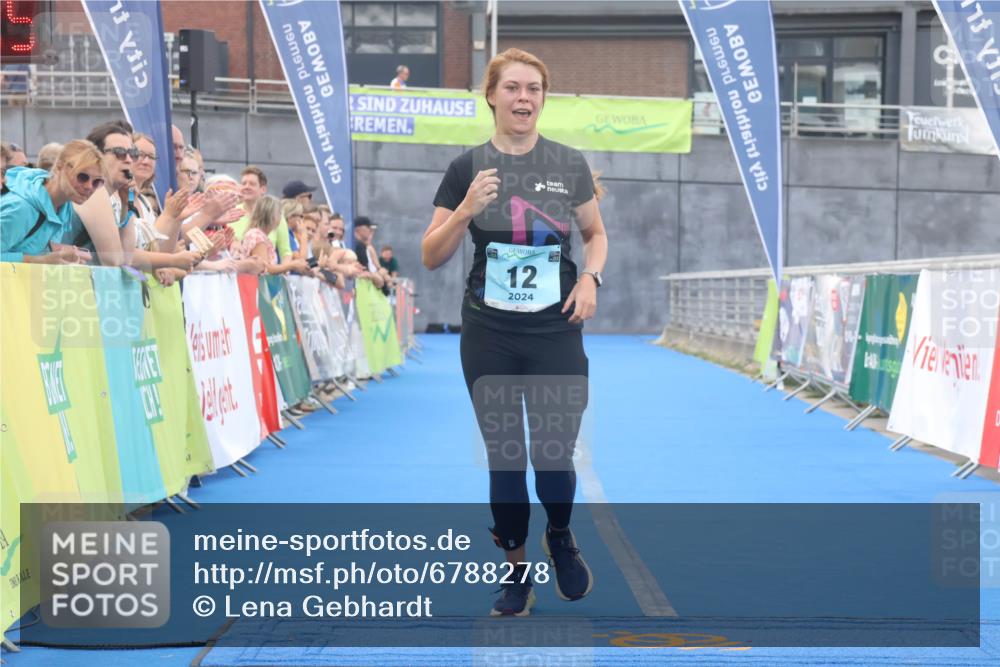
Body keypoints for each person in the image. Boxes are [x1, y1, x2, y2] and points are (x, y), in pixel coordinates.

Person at [422, 48, 608, 617]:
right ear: (492, 96)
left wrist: (591, 280)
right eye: (513, 88)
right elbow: (431, 255)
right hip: (490, 330)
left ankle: (559, 532)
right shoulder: (465, 168)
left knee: (553, 455)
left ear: (543, 99)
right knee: (505, 457)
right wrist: (464, 210)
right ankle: (517, 573)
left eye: (534, 89)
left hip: (555, 328)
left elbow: (595, 233)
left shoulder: (569, 163)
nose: (524, 98)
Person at [1, 140, 101, 264]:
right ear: (59, 168)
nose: (89, 187)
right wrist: (38, 260)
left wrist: (53, 252)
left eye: (97, 182)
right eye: (82, 177)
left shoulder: (65, 206)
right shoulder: (22, 208)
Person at [241, 195, 308, 276]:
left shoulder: (261, 236)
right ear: (271, 215)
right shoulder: (257, 237)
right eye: (279, 213)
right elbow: (265, 268)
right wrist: (291, 265)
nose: (280, 218)